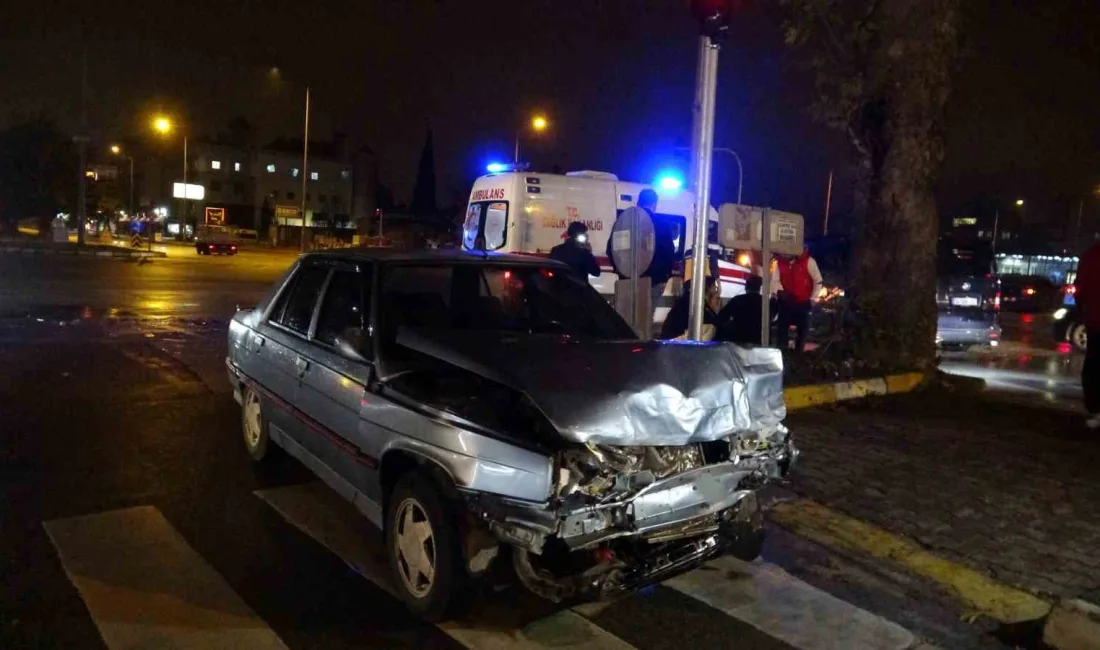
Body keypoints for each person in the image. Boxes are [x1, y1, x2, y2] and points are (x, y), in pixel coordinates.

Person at [775, 247, 823, 352]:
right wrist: (776, 292)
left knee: (803, 331)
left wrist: (813, 298)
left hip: (803, 302)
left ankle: (799, 353)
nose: (784, 255)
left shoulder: (808, 261)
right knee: (782, 329)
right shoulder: (781, 263)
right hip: (787, 300)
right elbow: (775, 280)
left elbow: (818, 280)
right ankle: (782, 352)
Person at [1075, 240, 1100, 428]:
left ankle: (1095, 411)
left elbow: (1080, 289)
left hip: (1095, 319)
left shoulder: (1091, 255)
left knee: (1094, 365)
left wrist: (1084, 310)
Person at [717, 275, 765, 345]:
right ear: (759, 288)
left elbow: (722, 317)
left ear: (746, 287)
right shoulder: (765, 302)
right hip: (759, 339)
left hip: (738, 339)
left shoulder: (737, 300)